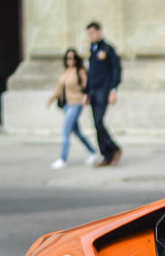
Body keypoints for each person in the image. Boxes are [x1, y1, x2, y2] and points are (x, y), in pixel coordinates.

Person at [44, 48, 99, 169]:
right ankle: (93, 151)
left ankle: (62, 159)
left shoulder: (80, 71)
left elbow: (86, 86)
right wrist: (50, 100)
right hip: (66, 105)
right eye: (68, 58)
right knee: (77, 132)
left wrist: (86, 97)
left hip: (76, 103)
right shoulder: (65, 72)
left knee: (65, 130)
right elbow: (58, 89)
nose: (71, 60)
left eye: (73, 58)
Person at [85, 21, 123, 166]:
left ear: (99, 32)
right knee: (96, 124)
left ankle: (113, 148)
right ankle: (106, 155)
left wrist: (113, 90)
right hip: (93, 91)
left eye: (93, 33)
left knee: (99, 121)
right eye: (89, 34)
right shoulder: (92, 50)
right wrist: (86, 93)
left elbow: (116, 70)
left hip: (104, 91)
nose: (91, 36)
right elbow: (90, 74)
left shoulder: (108, 49)